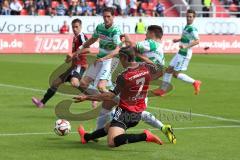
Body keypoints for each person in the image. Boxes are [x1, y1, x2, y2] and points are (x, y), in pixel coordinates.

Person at [91, 25, 176, 144]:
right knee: (127, 109)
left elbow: (132, 46)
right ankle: (163, 127)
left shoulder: (151, 43)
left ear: (152, 34)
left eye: (147, 33)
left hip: (133, 82)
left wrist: (126, 36)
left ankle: (99, 133)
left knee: (114, 104)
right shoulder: (160, 51)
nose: (145, 36)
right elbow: (159, 71)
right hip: (140, 82)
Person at [74, 46, 164, 147]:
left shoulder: (124, 76)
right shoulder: (146, 69)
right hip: (137, 113)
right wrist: (142, 57)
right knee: (108, 127)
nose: (119, 60)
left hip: (124, 112)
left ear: (124, 58)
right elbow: (160, 71)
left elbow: (109, 96)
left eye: (119, 57)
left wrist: (87, 97)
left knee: (112, 142)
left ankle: (145, 136)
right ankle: (86, 137)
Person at [32, 18, 89, 108]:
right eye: (73, 27)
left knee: (74, 83)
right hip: (73, 66)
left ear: (80, 27)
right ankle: (41, 103)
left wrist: (73, 54)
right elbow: (75, 54)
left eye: (76, 27)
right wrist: (69, 59)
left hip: (80, 65)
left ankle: (91, 96)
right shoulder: (75, 38)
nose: (74, 29)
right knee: (55, 83)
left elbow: (87, 49)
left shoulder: (82, 36)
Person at [153, 9, 201, 96]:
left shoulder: (192, 29)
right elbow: (186, 37)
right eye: (187, 16)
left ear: (194, 18)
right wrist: (178, 40)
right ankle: (163, 90)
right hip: (180, 52)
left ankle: (195, 82)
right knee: (168, 70)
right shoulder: (187, 26)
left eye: (190, 17)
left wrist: (186, 46)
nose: (188, 18)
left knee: (175, 74)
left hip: (185, 54)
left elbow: (197, 41)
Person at [76, 7, 122, 95]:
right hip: (100, 59)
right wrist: (80, 48)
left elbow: (118, 50)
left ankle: (119, 102)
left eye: (108, 16)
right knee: (83, 84)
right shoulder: (100, 27)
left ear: (113, 16)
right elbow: (92, 39)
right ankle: (99, 99)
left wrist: (104, 58)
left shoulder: (115, 30)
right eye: (104, 16)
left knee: (101, 87)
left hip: (110, 60)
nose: (106, 19)